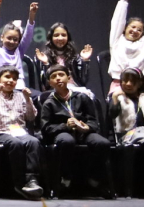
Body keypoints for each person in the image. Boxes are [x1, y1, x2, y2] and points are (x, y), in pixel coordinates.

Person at [40, 65, 112, 195]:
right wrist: (65, 126)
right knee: (66, 141)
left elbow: (93, 120)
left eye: (61, 75)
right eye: (53, 77)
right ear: (49, 82)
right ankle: (66, 176)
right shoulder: (49, 103)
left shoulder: (82, 97)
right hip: (63, 133)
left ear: (68, 77)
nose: (58, 78)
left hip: (84, 133)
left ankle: (93, 177)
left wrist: (87, 127)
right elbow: (46, 128)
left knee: (103, 143)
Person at [0, 66, 42, 200]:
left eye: (14, 79)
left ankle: (31, 179)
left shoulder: (21, 96)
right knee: (15, 144)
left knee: (34, 141)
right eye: (7, 77)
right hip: (0, 132)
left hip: (20, 131)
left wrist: (28, 99)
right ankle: (19, 183)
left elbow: (31, 117)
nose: (11, 81)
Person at [0, 0, 38, 81]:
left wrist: (32, 15)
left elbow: (28, 36)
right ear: (2, 37)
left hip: (19, 86)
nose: (12, 41)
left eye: (15, 39)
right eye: (9, 38)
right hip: (3, 85)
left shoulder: (19, 50)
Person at [36, 22, 93, 93]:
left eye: (63, 35)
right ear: (51, 38)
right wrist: (46, 64)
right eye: (56, 35)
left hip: (74, 90)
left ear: (68, 37)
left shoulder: (74, 56)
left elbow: (83, 82)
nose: (60, 38)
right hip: (54, 91)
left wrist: (85, 60)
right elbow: (46, 85)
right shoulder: (44, 56)